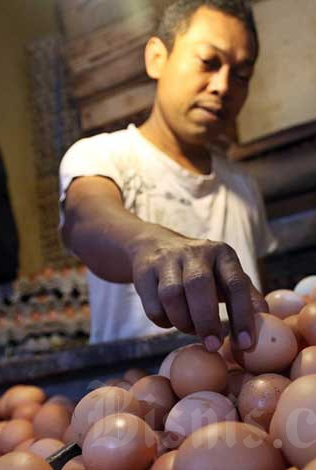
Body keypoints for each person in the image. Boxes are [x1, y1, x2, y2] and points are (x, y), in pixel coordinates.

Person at [59, 0, 276, 352]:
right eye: (208, 62)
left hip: (239, 394)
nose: (223, 86)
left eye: (241, 75)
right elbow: (85, 220)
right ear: (157, 58)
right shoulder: (102, 156)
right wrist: (146, 244)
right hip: (134, 393)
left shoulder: (243, 186)